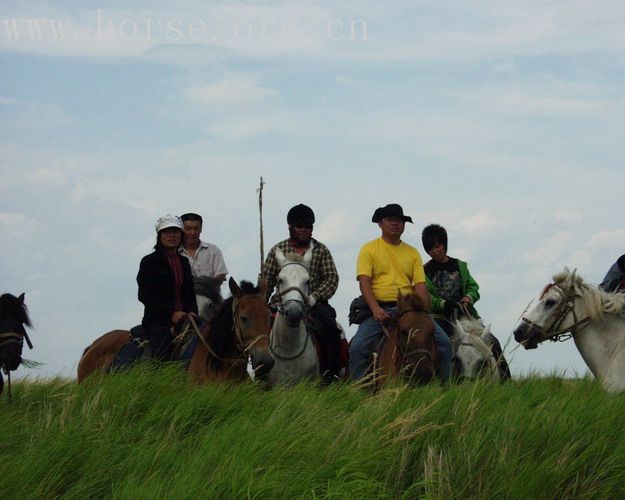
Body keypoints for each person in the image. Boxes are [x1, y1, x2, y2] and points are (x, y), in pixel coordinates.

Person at [348, 204, 451, 383]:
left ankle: (444, 387)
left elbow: (419, 285)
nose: (395, 224)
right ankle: (357, 391)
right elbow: (364, 282)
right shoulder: (369, 249)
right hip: (380, 308)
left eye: (399, 220)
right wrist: (375, 309)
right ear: (380, 223)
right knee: (358, 346)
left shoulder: (412, 253)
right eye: (390, 220)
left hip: (409, 309)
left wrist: (422, 310)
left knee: (444, 343)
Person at [263, 204, 343, 382]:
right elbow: (266, 280)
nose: (304, 230)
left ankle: (331, 374)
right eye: (299, 225)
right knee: (257, 332)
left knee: (331, 329)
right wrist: (261, 303)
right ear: (290, 226)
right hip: (281, 303)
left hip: (313, 303)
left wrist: (314, 297)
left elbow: (331, 279)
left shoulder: (321, 250)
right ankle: (258, 372)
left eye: (308, 226)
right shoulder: (278, 249)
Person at [421, 223, 510, 380]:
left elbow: (473, 287)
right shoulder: (424, 271)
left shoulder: (460, 266)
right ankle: (444, 380)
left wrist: (469, 297)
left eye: (437, 246)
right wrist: (442, 304)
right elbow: (427, 296)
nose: (435, 251)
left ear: (444, 244)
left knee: (493, 341)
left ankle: (505, 379)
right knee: (445, 346)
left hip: (465, 315)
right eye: (430, 249)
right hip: (440, 318)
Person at [137, 214, 198, 361]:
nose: (172, 235)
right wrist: (170, 313)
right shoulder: (149, 262)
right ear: (159, 236)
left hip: (186, 319)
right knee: (162, 359)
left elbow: (189, 291)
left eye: (176, 231)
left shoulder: (184, 262)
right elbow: (145, 295)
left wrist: (192, 312)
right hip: (158, 322)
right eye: (167, 232)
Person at [179, 212, 228, 320]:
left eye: (196, 229)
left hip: (212, 302)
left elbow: (220, 276)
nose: (192, 232)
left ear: (201, 229)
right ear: (181, 230)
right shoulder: (176, 254)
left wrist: (198, 285)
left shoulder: (213, 250)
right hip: (183, 306)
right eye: (188, 229)